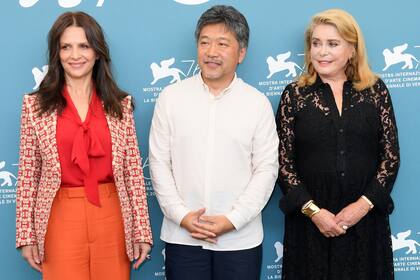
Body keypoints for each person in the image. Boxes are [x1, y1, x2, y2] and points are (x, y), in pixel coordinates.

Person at [15, 11, 152, 280]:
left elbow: (133, 172)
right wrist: (25, 235)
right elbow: (28, 175)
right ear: (56, 53)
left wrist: (141, 231)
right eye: (66, 47)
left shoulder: (120, 105)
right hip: (59, 215)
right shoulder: (34, 106)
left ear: (98, 52)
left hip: (112, 215)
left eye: (84, 46)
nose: (74, 55)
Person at [149, 5, 279, 280]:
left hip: (239, 240)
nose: (211, 52)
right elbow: (159, 164)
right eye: (204, 43)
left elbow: (266, 169)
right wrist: (183, 216)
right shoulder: (171, 98)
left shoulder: (256, 104)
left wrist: (232, 220)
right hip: (183, 237)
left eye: (222, 44)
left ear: (241, 52)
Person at [276, 8, 400, 280]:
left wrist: (362, 206)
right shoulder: (294, 95)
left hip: (365, 224)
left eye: (332, 44)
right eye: (316, 43)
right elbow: (282, 164)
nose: (322, 52)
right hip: (310, 226)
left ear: (352, 50)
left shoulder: (375, 91)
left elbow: (390, 158)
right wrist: (315, 212)